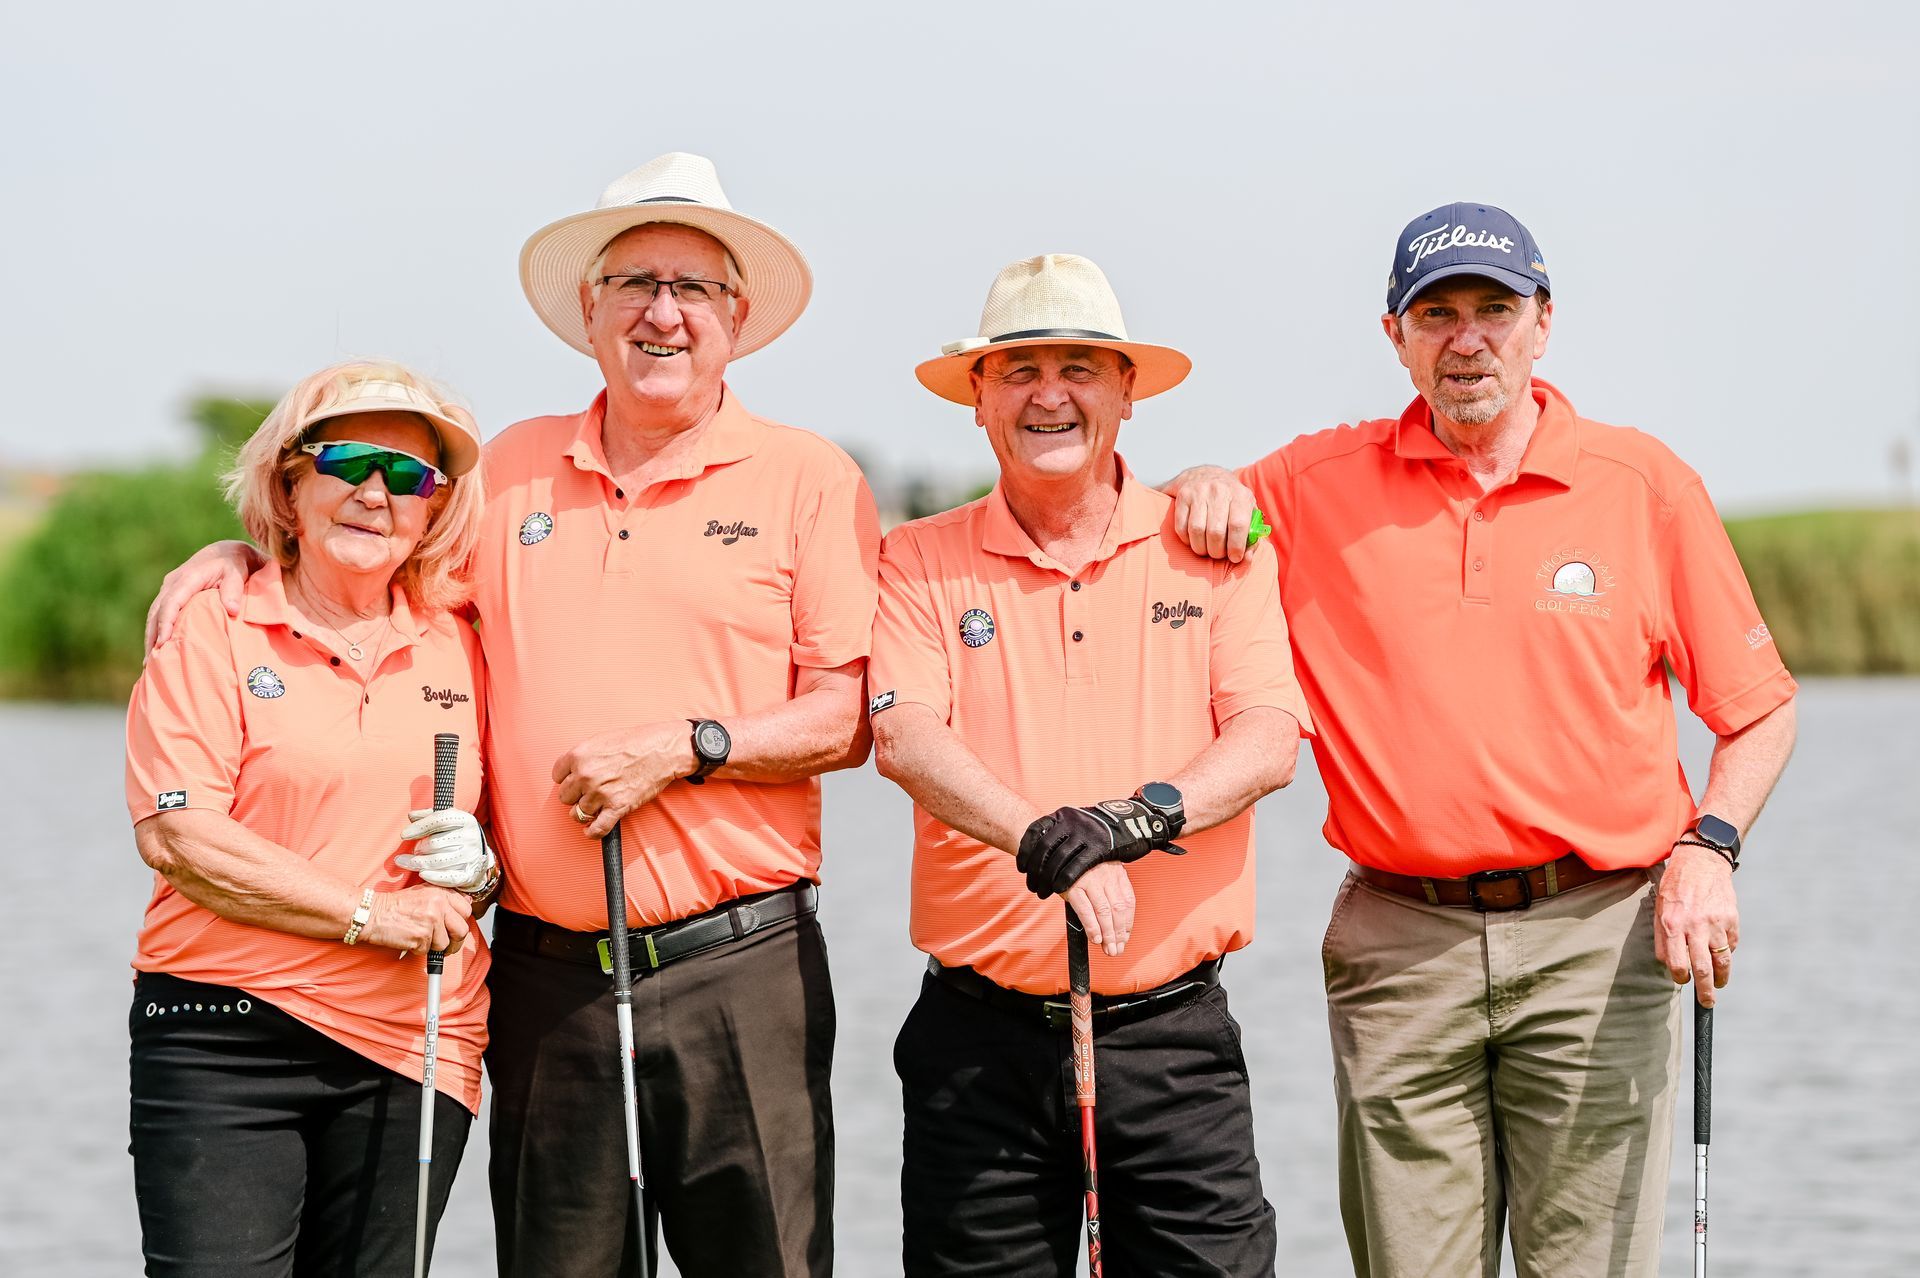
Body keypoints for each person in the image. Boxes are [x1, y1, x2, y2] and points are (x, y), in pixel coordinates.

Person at [145, 153, 879, 1278]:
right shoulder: (511, 472)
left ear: (735, 317)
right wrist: (237, 556)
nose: (663, 313)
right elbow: (376, 559)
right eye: (634, 283)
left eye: (693, 287)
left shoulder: (810, 478)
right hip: (547, 978)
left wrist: (690, 749)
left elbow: (847, 718)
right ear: (590, 309)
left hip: (742, 966)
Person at [1168, 202, 1799, 1277]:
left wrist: (1711, 847)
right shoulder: (1313, 489)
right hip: (1401, 946)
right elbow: (1197, 519)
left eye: (1494, 310)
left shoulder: (1643, 487)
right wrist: (1199, 483)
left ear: (1543, 323)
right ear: (1396, 336)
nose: (1468, 339)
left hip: (1598, 939)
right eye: (1438, 314)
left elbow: (1760, 709)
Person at [869, 254, 1312, 1275]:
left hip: (1170, 1044)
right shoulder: (918, 557)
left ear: (1126, 390)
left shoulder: (1218, 544)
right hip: (977, 1048)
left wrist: (1126, 823)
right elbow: (906, 738)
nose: (1049, 395)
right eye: (1019, 370)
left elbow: (1267, 739)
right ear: (978, 396)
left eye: (1079, 368)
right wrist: (1044, 838)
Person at [126, 361, 495, 1276]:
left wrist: (482, 872)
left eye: (407, 475)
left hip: (416, 1042)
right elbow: (179, 837)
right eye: (347, 462)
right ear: (289, 487)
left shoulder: (471, 634)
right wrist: (372, 917)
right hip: (224, 1033)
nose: (376, 492)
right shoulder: (213, 623)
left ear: (433, 510)